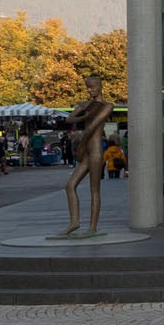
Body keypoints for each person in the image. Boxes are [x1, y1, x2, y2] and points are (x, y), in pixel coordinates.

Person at [55, 74, 114, 238]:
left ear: (99, 86)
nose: (89, 90)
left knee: (94, 190)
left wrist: (80, 146)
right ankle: (74, 222)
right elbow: (69, 119)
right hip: (88, 151)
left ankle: (92, 227)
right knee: (70, 185)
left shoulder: (107, 106)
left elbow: (92, 127)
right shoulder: (86, 104)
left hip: (94, 150)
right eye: (87, 87)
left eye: (92, 86)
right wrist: (84, 115)